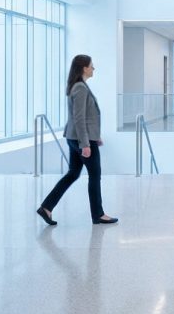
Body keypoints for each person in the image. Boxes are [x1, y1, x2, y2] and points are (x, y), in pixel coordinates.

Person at [37, 54, 118, 226]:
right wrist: (86, 144)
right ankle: (98, 215)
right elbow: (79, 118)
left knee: (73, 173)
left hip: (75, 137)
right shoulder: (80, 88)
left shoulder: (77, 86)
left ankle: (46, 207)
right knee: (95, 175)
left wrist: (95, 136)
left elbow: (83, 117)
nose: (93, 68)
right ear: (84, 68)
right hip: (81, 140)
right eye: (91, 66)